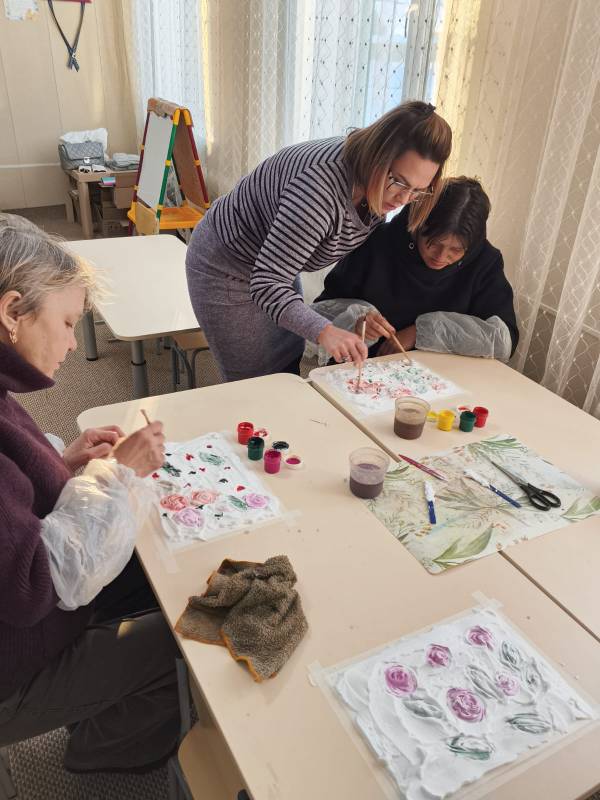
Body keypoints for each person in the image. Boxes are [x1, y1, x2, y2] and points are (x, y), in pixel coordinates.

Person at [0, 214, 181, 774]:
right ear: (11, 313)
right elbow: (34, 583)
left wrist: (62, 463)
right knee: (182, 646)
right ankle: (101, 750)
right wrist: (114, 477)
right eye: (66, 322)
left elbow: (13, 497)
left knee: (154, 570)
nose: (72, 343)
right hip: (12, 669)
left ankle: (98, 702)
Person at [186, 101, 452, 380]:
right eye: (399, 182)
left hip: (274, 263)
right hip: (226, 265)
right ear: (377, 155)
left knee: (286, 357)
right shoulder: (318, 193)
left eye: (418, 190)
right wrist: (324, 330)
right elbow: (268, 284)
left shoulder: (377, 182)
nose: (403, 199)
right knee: (255, 379)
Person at [314, 177, 518, 362]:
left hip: (444, 374)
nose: (441, 257)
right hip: (365, 365)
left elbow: (504, 340)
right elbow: (320, 311)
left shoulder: (485, 261)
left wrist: (421, 332)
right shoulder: (377, 241)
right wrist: (356, 323)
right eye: (433, 243)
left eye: (456, 250)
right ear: (418, 225)